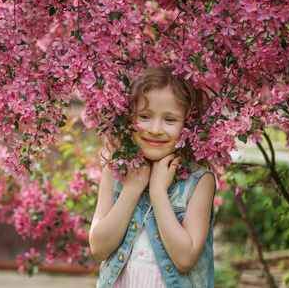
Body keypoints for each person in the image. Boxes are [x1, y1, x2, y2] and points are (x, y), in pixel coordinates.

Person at [89, 66, 216, 288]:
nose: (155, 129)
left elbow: (185, 259)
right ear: (128, 118)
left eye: (170, 120)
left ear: (189, 125)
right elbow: (99, 248)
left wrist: (158, 190)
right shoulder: (115, 170)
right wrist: (131, 188)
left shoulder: (199, 181)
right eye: (145, 116)